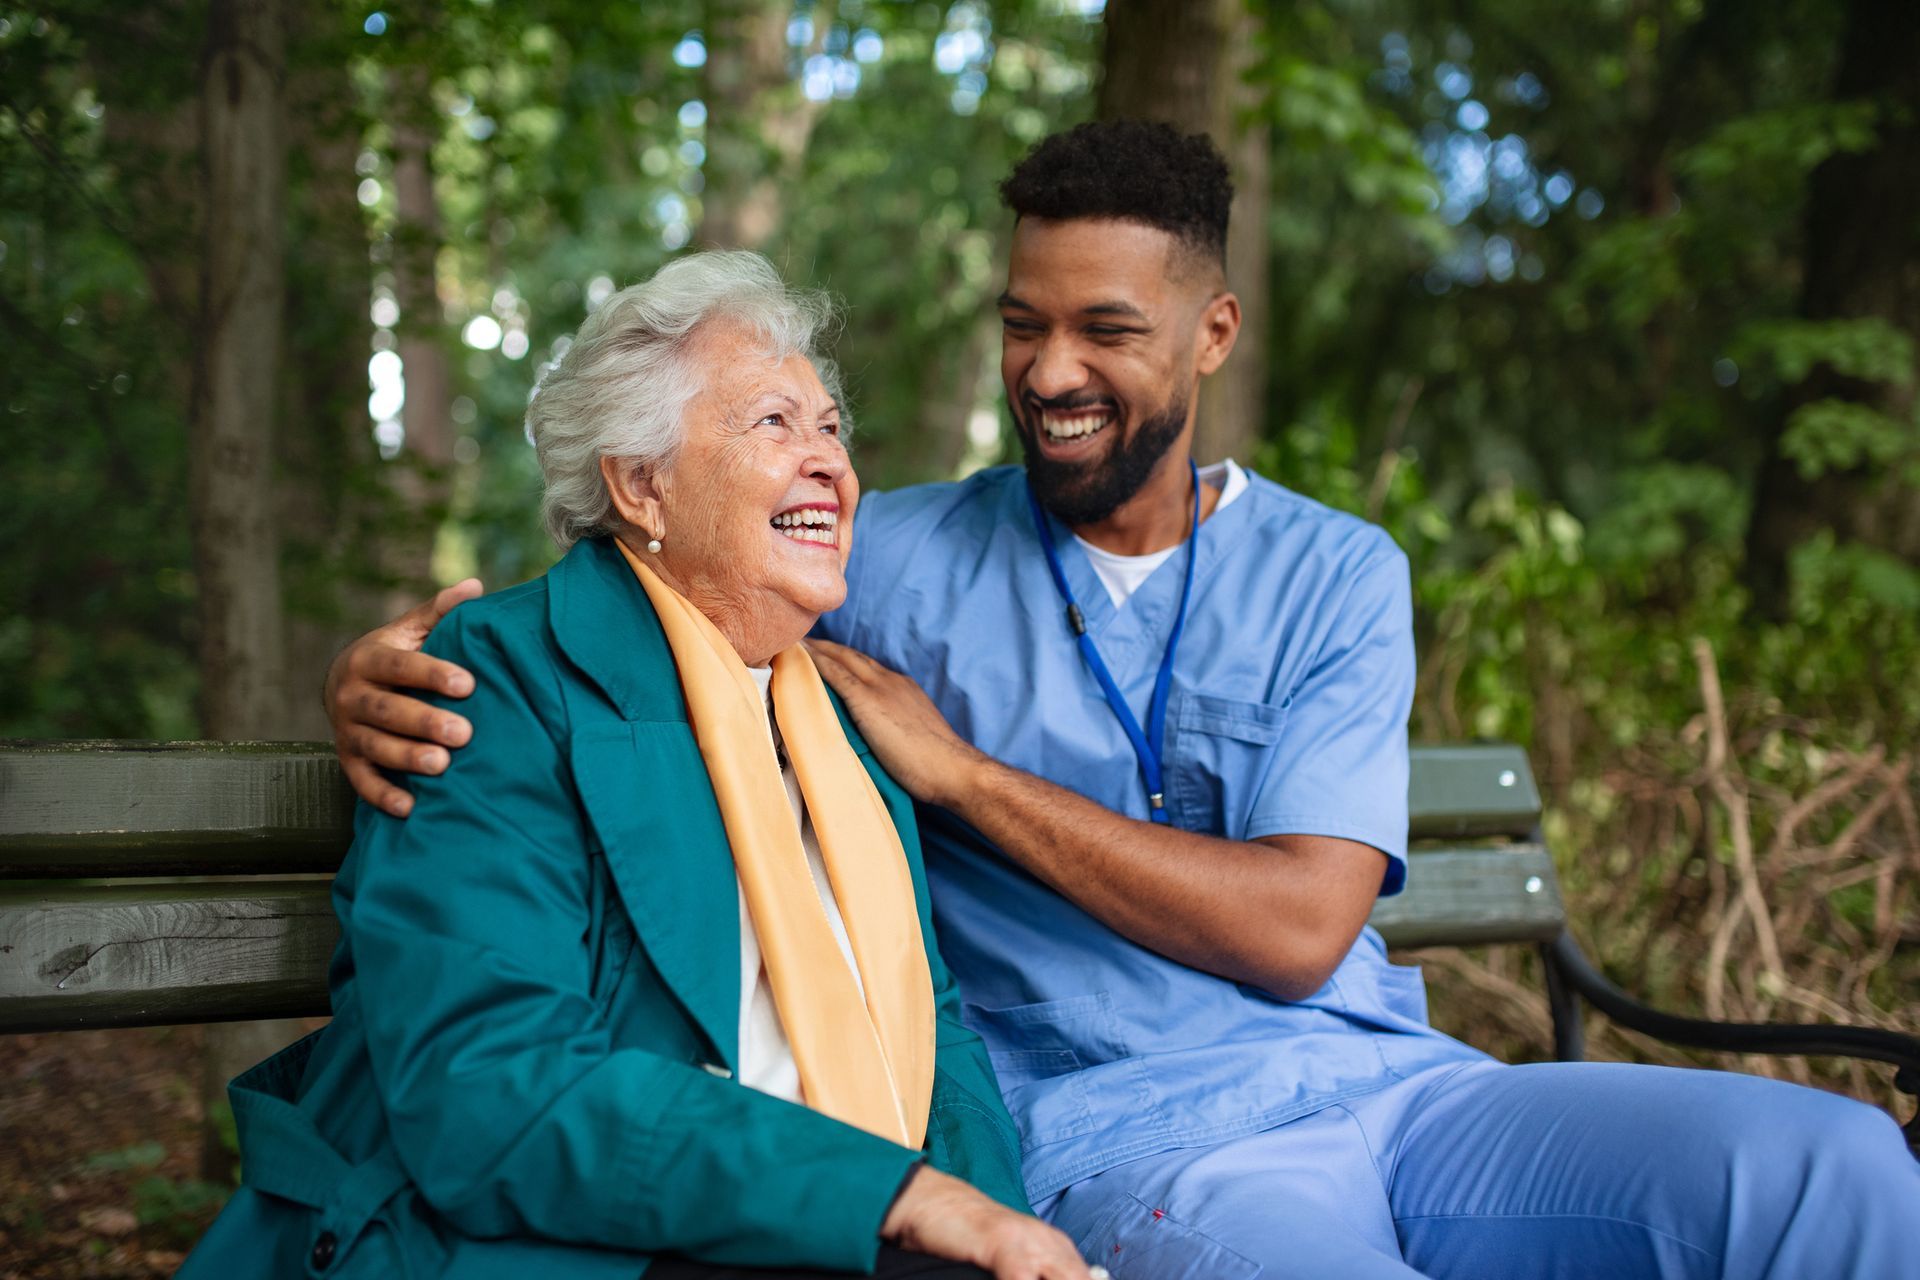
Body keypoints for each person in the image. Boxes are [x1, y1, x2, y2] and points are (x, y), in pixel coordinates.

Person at [327, 125, 1920, 1278]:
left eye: (1106, 329)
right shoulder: (885, 550)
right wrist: (394, 660)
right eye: (1024, 325)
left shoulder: (1335, 572)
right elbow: (660, 588)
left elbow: (1303, 930)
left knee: (1840, 1170)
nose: (1050, 370)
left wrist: (958, 779)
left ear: (1213, 332)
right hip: (1122, 1139)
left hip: (1394, 1090)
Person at [181, 252, 1100, 1280]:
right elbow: (489, 1082)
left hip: (828, 1222)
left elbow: (934, 1028)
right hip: (583, 1236)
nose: (832, 465)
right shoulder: (501, 681)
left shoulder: (841, 719)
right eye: (773, 423)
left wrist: (996, 1224)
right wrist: (896, 1196)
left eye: (831, 426)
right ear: (641, 485)